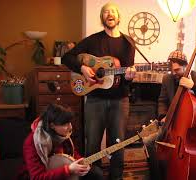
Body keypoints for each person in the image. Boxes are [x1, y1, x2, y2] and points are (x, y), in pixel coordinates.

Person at [62, 2, 136, 179]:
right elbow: (67, 57)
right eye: (105, 12)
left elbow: (127, 72)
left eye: (113, 12)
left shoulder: (128, 42)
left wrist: (129, 76)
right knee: (92, 144)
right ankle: (93, 177)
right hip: (95, 99)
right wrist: (82, 68)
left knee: (117, 144)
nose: (109, 14)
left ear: (118, 17)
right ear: (102, 18)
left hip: (120, 100)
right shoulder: (93, 40)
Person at [146, 50, 196, 179]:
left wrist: (194, 87)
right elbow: (162, 100)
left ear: (186, 66)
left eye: (177, 70)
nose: (174, 73)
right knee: (149, 142)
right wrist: (163, 116)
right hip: (172, 125)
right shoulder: (167, 78)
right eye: (172, 70)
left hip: (192, 127)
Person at [21, 103, 103, 180]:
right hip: (45, 176)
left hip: (63, 171)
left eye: (69, 122)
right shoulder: (32, 142)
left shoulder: (61, 134)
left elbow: (72, 154)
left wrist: (81, 163)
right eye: (65, 124)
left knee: (95, 173)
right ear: (52, 125)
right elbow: (36, 177)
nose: (70, 127)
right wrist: (68, 170)